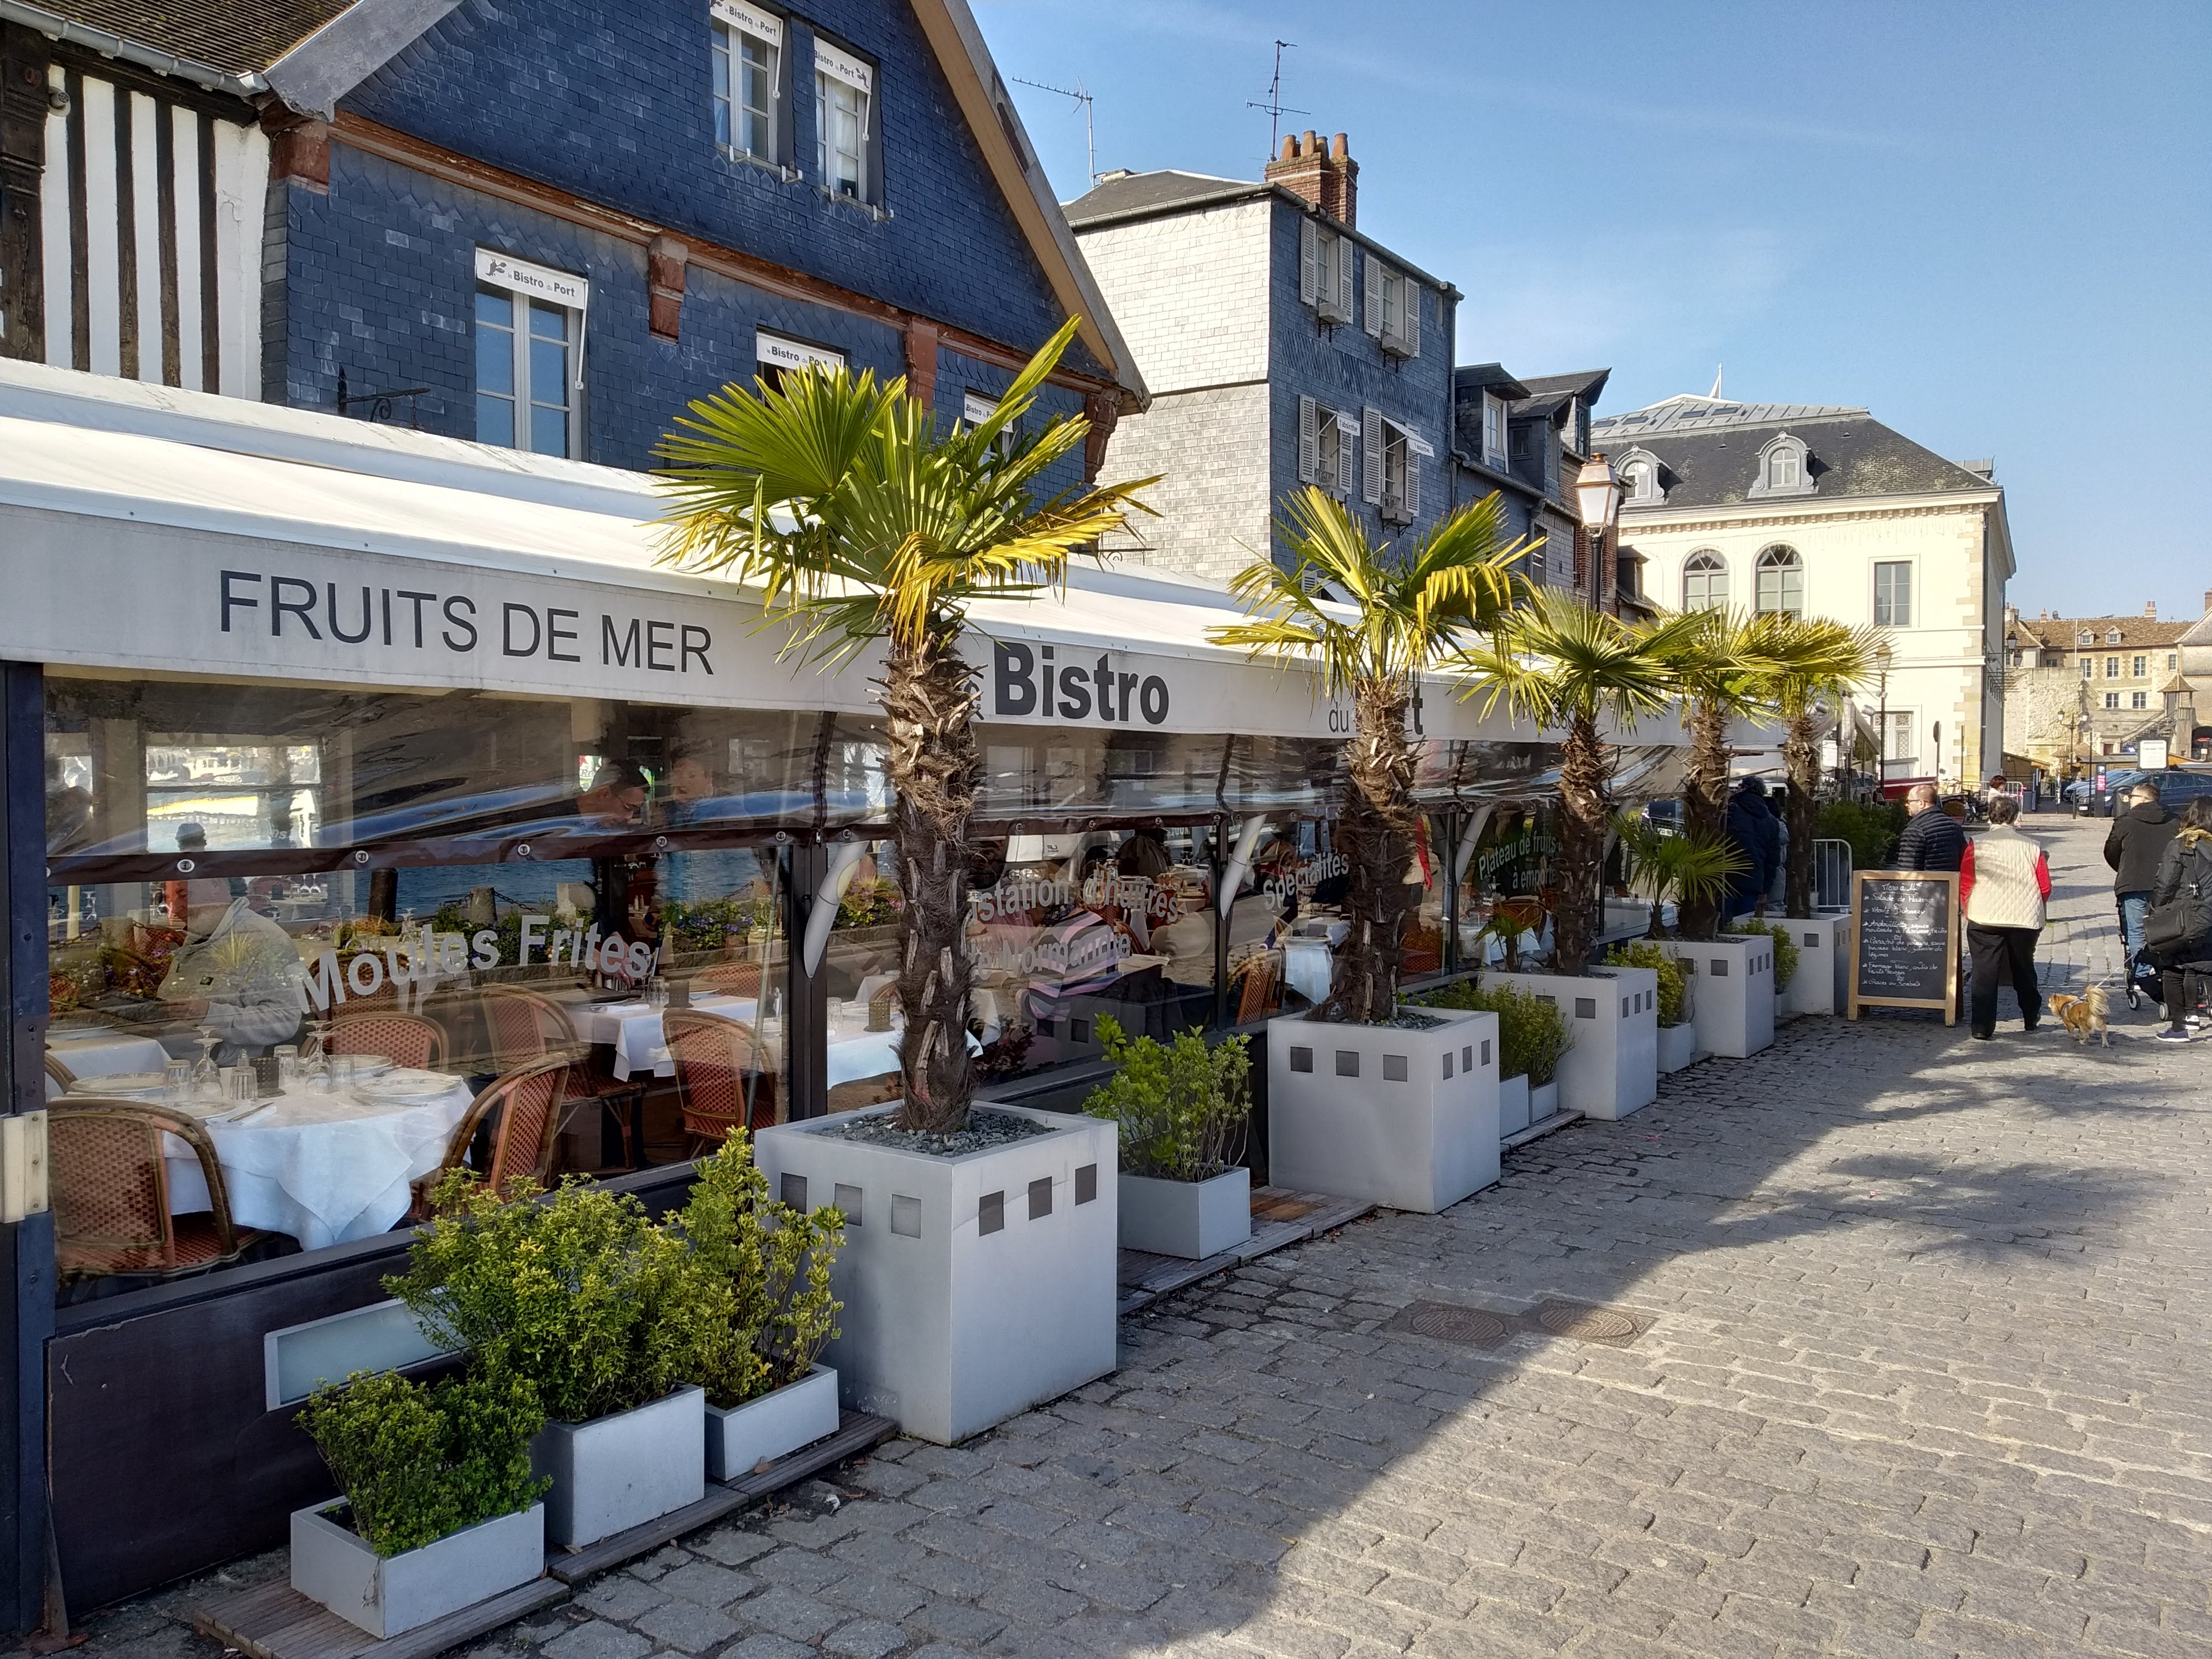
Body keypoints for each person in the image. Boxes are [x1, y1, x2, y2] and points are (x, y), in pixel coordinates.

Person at [158, 878, 307, 1062]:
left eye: (184, 896)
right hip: (166, 1055)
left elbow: (284, 1020)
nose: (175, 909)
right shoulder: (202, 934)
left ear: (215, 886)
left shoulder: (262, 939)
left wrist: (209, 1014)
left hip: (225, 1069)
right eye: (169, 900)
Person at [1960, 797, 2050, 1040]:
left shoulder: (1977, 844)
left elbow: (1967, 880)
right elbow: (2044, 886)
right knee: (2024, 967)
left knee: (1984, 970)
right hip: (2024, 917)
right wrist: (2038, 907)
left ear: (1990, 815)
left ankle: (1982, 1026)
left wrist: (1967, 907)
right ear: (2015, 817)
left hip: (1984, 915)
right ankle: (2031, 1015)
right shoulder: (2033, 847)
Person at [2146, 797, 2212, 1043]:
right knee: (2207, 966)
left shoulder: (2182, 845)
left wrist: (2157, 909)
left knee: (2173, 969)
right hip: (2210, 916)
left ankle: (2179, 1027)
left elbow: (2165, 882)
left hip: (2186, 916)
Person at [2104, 780, 2178, 995]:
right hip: (2168, 884)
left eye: (2132, 797)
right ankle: (2166, 971)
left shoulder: (2126, 822)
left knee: (2136, 931)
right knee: (2166, 930)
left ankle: (2142, 974)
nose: (2129, 801)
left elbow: (2111, 851)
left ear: (2143, 799)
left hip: (2134, 883)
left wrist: (2124, 869)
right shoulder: (2175, 821)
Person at [1723, 779, 1776, 922]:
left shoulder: (1729, 810)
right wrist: (1766, 888)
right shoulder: (1771, 821)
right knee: (1744, 923)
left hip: (1727, 875)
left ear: (1744, 789)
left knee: (1724, 921)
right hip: (1754, 879)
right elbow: (1773, 859)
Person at [1893, 782, 1967, 873]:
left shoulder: (1915, 830)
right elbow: (1965, 859)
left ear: (1921, 803)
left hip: (1927, 881)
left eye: (1909, 801)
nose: (1906, 805)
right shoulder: (1953, 826)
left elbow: (1907, 871)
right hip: (1951, 880)